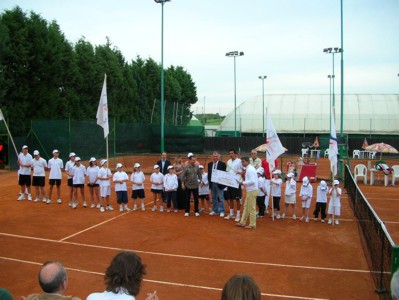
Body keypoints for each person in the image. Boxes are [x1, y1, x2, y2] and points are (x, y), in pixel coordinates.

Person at [235, 156, 259, 229]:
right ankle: (243, 222)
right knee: (246, 207)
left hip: (252, 190)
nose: (242, 163)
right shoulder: (249, 169)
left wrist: (243, 183)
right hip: (250, 190)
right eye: (241, 162)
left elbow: (252, 181)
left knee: (251, 208)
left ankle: (252, 224)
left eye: (243, 162)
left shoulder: (250, 170)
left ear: (248, 162)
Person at [224, 149, 243, 222]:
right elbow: (227, 171)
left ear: (235, 154)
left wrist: (240, 173)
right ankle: (231, 214)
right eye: (229, 153)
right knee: (230, 198)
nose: (230, 154)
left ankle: (238, 215)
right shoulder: (228, 161)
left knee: (237, 199)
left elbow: (244, 170)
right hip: (230, 183)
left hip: (237, 182)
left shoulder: (239, 161)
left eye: (232, 153)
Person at [208, 151, 226, 217]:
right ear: (212, 157)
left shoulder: (223, 164)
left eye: (216, 156)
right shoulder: (209, 164)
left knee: (221, 197)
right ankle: (215, 210)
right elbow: (209, 174)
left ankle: (222, 211)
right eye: (214, 156)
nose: (215, 157)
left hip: (219, 183)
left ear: (218, 157)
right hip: (212, 183)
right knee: (213, 197)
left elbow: (224, 174)